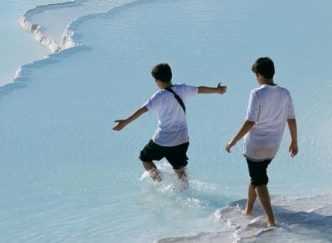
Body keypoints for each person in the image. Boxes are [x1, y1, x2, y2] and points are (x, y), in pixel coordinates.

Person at [113, 63, 227, 185]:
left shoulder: (159, 96)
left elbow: (142, 110)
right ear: (170, 76)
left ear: (157, 81)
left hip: (163, 140)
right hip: (182, 140)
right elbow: (200, 89)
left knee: (144, 157)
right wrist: (217, 90)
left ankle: (160, 183)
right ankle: (184, 190)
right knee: (180, 169)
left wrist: (125, 122)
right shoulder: (182, 88)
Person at [225, 57, 298, 228]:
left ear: (259, 76)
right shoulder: (285, 93)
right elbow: (292, 119)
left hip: (255, 146)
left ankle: (271, 221)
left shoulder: (256, 93)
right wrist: (294, 141)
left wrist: (233, 141)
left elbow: (250, 121)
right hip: (273, 146)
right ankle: (248, 209)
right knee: (257, 176)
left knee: (259, 181)